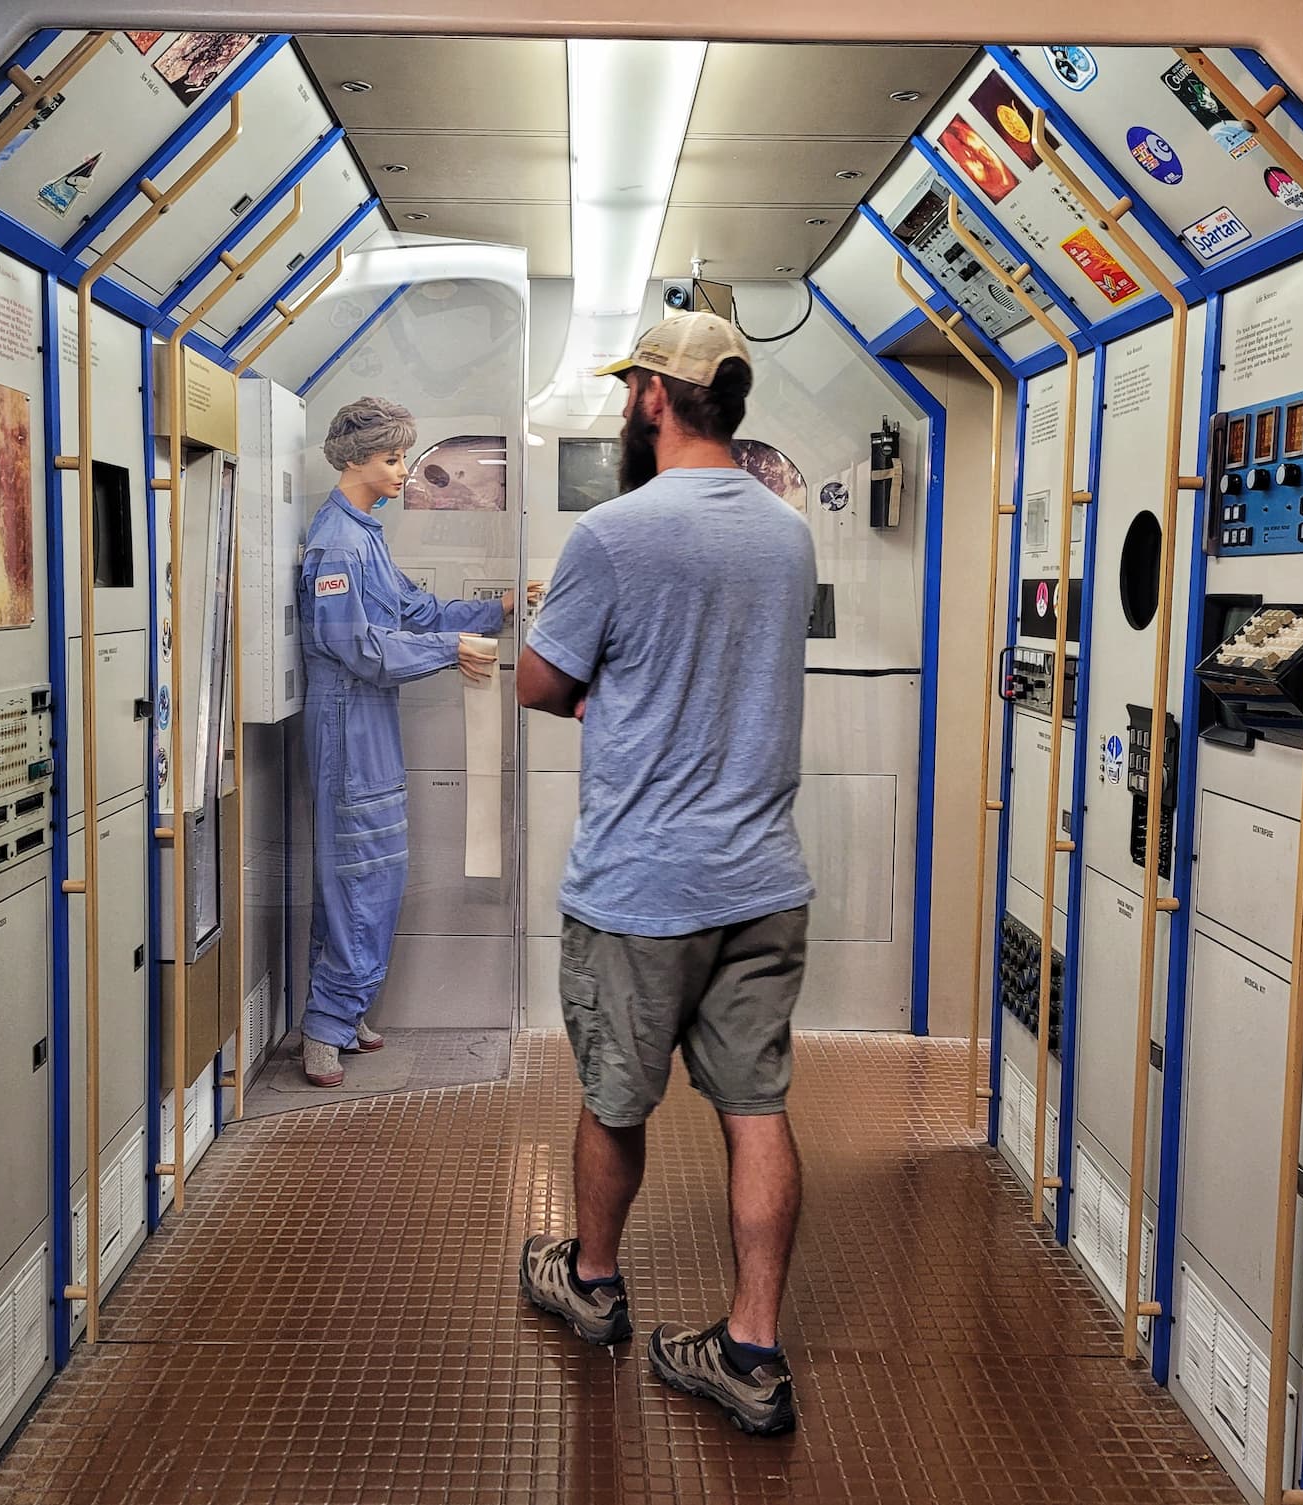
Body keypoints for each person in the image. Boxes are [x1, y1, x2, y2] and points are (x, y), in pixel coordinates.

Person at [514, 313, 817, 1436]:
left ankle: (591, 1282)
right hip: (763, 880)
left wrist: (603, 688)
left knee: (614, 1093)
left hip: (641, 885)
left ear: (652, 396)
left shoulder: (614, 534)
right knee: (757, 1108)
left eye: (631, 385)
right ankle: (749, 1349)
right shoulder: (789, 534)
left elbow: (538, 682)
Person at [297, 397, 531, 1089]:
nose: (405, 470)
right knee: (360, 874)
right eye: (393, 458)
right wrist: (447, 646)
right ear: (354, 458)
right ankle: (325, 1025)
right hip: (347, 723)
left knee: (377, 871)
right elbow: (359, 647)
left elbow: (411, 608)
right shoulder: (336, 543)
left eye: (403, 457)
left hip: (369, 721)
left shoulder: (364, 532)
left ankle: (348, 1003)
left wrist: (496, 608)